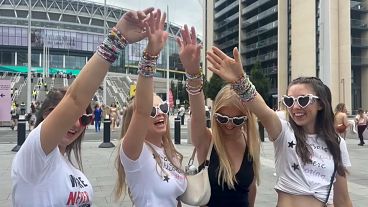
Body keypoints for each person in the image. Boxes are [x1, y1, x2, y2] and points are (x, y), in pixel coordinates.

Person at [11, 7, 155, 206]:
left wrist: (151, 55)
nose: (78, 124)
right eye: (73, 116)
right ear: (49, 114)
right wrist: (117, 38)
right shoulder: (35, 155)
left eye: (85, 119)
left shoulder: (69, 166)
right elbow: (75, 99)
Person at [206, 46, 353, 207]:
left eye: (303, 100)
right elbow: (262, 110)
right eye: (289, 101)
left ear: (320, 104)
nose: (295, 107)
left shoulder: (337, 143)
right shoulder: (284, 132)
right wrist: (240, 81)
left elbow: (343, 199)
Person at [176, 25, 260, 207]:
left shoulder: (251, 141)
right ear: (214, 116)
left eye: (237, 120)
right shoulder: (207, 140)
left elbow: (251, 190)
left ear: (246, 118)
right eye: (222, 118)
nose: (229, 125)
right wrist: (192, 74)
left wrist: (241, 81)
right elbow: (198, 115)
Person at [114, 10, 187, 207]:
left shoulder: (168, 151)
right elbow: (141, 110)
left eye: (163, 107)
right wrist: (151, 55)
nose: (160, 113)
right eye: (152, 111)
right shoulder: (133, 153)